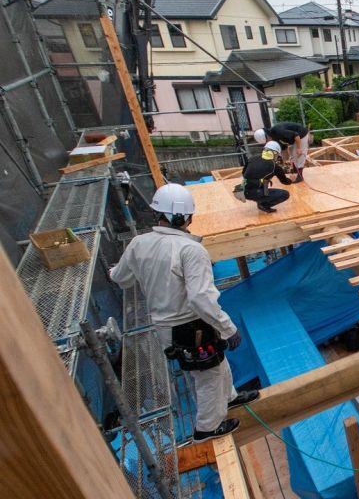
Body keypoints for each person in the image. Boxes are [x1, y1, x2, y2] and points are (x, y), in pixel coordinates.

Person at [110, 184, 257, 443]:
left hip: (167, 326)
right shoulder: (190, 250)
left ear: (159, 214)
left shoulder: (138, 244)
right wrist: (228, 327)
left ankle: (230, 398)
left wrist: (115, 271)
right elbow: (201, 298)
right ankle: (207, 428)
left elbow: (121, 278)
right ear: (183, 217)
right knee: (208, 375)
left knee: (217, 363)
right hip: (189, 325)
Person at [243, 141, 293, 213]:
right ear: (275, 153)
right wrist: (291, 179)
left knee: (265, 181)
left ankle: (261, 199)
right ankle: (263, 204)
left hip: (243, 189)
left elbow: (244, 173)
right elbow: (285, 181)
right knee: (285, 194)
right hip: (254, 193)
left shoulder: (253, 158)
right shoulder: (275, 167)